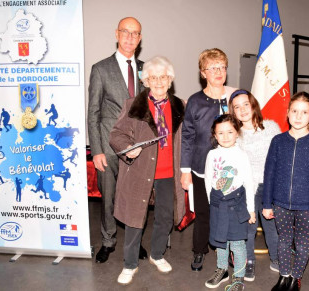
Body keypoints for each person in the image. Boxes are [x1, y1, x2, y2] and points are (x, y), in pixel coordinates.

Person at [109, 56, 185, 285]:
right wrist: (127, 149)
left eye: (163, 77)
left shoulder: (180, 104)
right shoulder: (133, 105)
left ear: (170, 80)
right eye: (153, 77)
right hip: (140, 170)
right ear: (146, 81)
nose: (159, 81)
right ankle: (129, 264)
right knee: (134, 219)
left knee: (164, 217)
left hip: (168, 172)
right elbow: (116, 135)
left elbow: (185, 139)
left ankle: (157, 254)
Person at [87, 16, 147, 264]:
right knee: (109, 196)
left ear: (140, 38)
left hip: (138, 147)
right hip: (109, 146)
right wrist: (97, 150)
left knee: (136, 197)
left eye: (135, 33)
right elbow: (93, 112)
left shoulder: (147, 69)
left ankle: (135, 241)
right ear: (116, 34)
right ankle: (108, 241)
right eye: (125, 32)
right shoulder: (101, 69)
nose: (130, 37)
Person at [262, 92, 309, 291]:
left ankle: (296, 277)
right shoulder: (278, 141)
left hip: (307, 207)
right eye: (294, 111)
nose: (299, 116)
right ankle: (283, 276)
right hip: (280, 203)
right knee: (283, 242)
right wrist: (267, 204)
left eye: (304, 112)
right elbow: (269, 174)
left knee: (301, 244)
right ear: (288, 114)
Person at [181, 48, 237, 271]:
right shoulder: (195, 101)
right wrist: (186, 170)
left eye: (222, 67)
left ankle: (231, 250)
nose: (218, 72)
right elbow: (187, 136)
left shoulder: (235, 97)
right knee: (203, 213)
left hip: (229, 169)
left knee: (229, 212)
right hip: (201, 169)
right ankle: (199, 251)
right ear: (203, 73)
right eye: (212, 68)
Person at [228, 89, 281, 281]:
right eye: (236, 107)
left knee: (272, 227)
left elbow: (280, 158)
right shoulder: (234, 134)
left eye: (245, 104)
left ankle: (276, 258)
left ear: (253, 105)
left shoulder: (271, 127)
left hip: (269, 187)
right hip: (246, 190)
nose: (242, 110)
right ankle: (248, 262)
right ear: (232, 112)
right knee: (248, 229)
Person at [203, 114, 255, 291]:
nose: (225, 137)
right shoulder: (212, 154)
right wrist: (213, 205)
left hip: (237, 205)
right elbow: (208, 179)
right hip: (218, 205)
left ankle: (239, 277)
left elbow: (248, 181)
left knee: (238, 244)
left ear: (237, 133)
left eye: (230, 132)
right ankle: (222, 269)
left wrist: (251, 209)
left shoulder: (241, 155)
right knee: (220, 242)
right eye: (220, 133)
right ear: (215, 135)